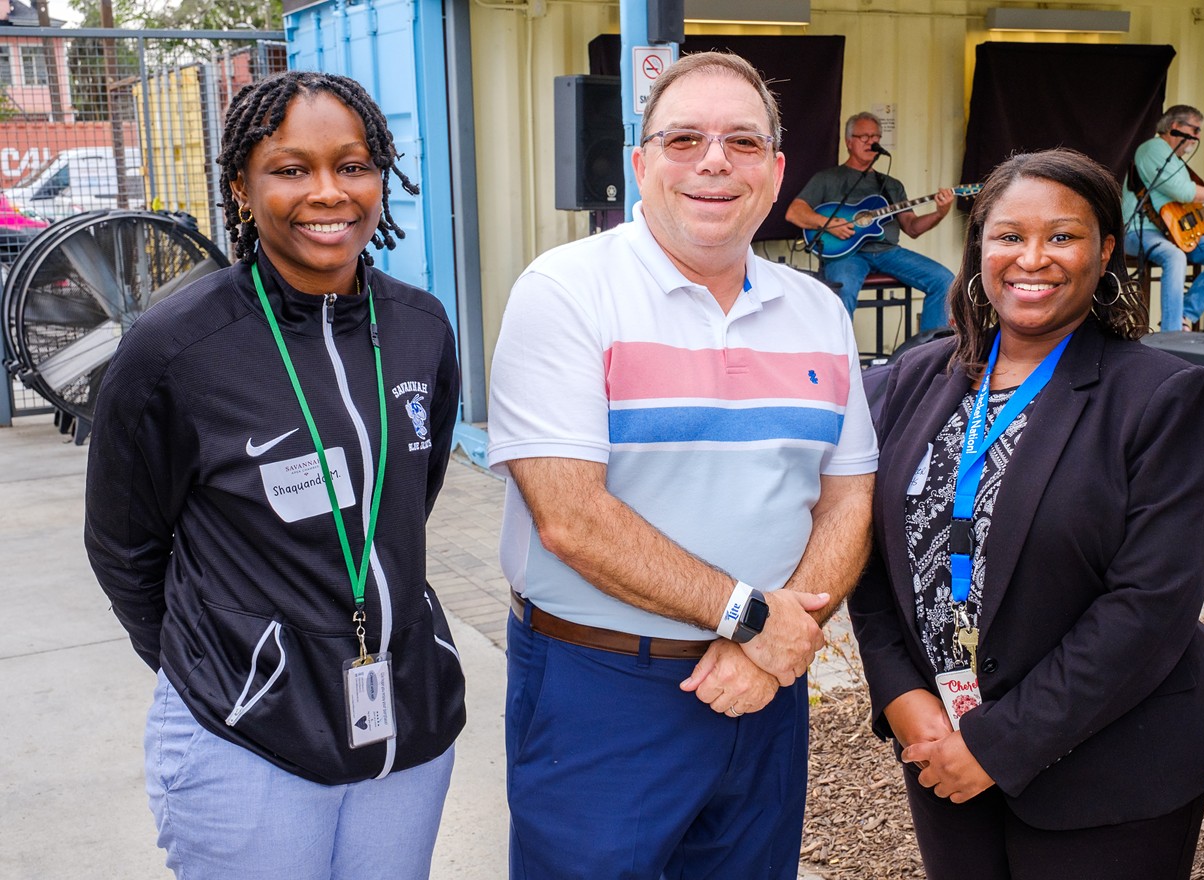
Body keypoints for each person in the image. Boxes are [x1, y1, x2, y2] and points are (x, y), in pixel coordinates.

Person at [487, 51, 877, 879]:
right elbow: (571, 519)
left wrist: (767, 645)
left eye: (743, 142)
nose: (714, 161)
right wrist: (751, 619)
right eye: (684, 139)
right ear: (641, 163)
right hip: (602, 688)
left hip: (763, 691)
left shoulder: (817, 310)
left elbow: (848, 502)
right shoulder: (564, 292)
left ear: (775, 173)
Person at [84, 70, 466, 879]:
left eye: (353, 165)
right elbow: (124, 546)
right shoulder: (175, 350)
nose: (329, 192)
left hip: (407, 721)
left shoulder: (421, 328)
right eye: (291, 169)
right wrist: (227, 659)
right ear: (241, 187)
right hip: (247, 737)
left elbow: (406, 499)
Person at [848, 148, 1204, 880]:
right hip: (940, 746)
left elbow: (1149, 606)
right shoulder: (911, 379)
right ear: (979, 248)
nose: (1033, 258)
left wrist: (997, 745)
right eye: (1009, 235)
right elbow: (865, 552)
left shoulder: (1163, 397)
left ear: (1106, 252)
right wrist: (899, 692)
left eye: (1063, 236)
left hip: (1110, 765)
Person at [786, 111, 956, 329]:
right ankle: (840, 349)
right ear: (849, 142)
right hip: (847, 255)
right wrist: (828, 223)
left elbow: (912, 227)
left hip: (888, 252)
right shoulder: (828, 178)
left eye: (875, 137)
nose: (871, 142)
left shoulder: (891, 185)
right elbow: (794, 212)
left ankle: (930, 348)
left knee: (944, 280)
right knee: (842, 291)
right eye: (864, 137)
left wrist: (939, 213)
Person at [1123, 104, 1204, 332]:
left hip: (1174, 233)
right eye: (1195, 129)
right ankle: (1172, 334)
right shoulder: (1153, 148)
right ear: (1175, 126)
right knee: (1174, 256)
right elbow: (1183, 191)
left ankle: (1185, 315)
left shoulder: (1176, 163)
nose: (1198, 136)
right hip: (1140, 230)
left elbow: (1193, 212)